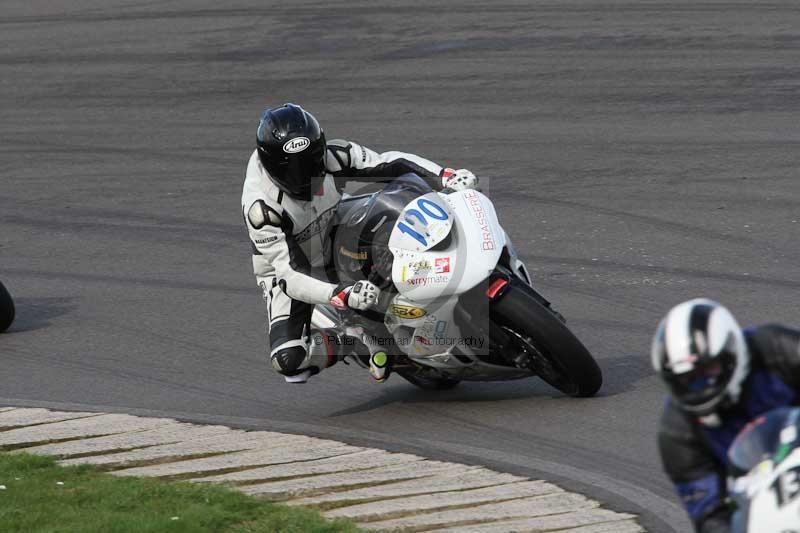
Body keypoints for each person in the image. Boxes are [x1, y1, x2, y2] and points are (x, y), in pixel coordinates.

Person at [242, 103, 478, 384]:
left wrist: (444, 176)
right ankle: (354, 341)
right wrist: (341, 294)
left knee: (391, 208)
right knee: (288, 360)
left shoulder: (332, 155)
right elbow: (290, 277)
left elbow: (389, 162)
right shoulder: (263, 209)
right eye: (291, 170)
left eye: (310, 164)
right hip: (290, 269)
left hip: (333, 224)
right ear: (271, 166)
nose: (304, 177)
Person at [651, 298, 800, 532]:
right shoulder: (677, 433)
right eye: (687, 379)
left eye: (707, 370)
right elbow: (708, 513)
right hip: (761, 499)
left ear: (731, 351)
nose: (699, 385)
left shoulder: (776, 348)